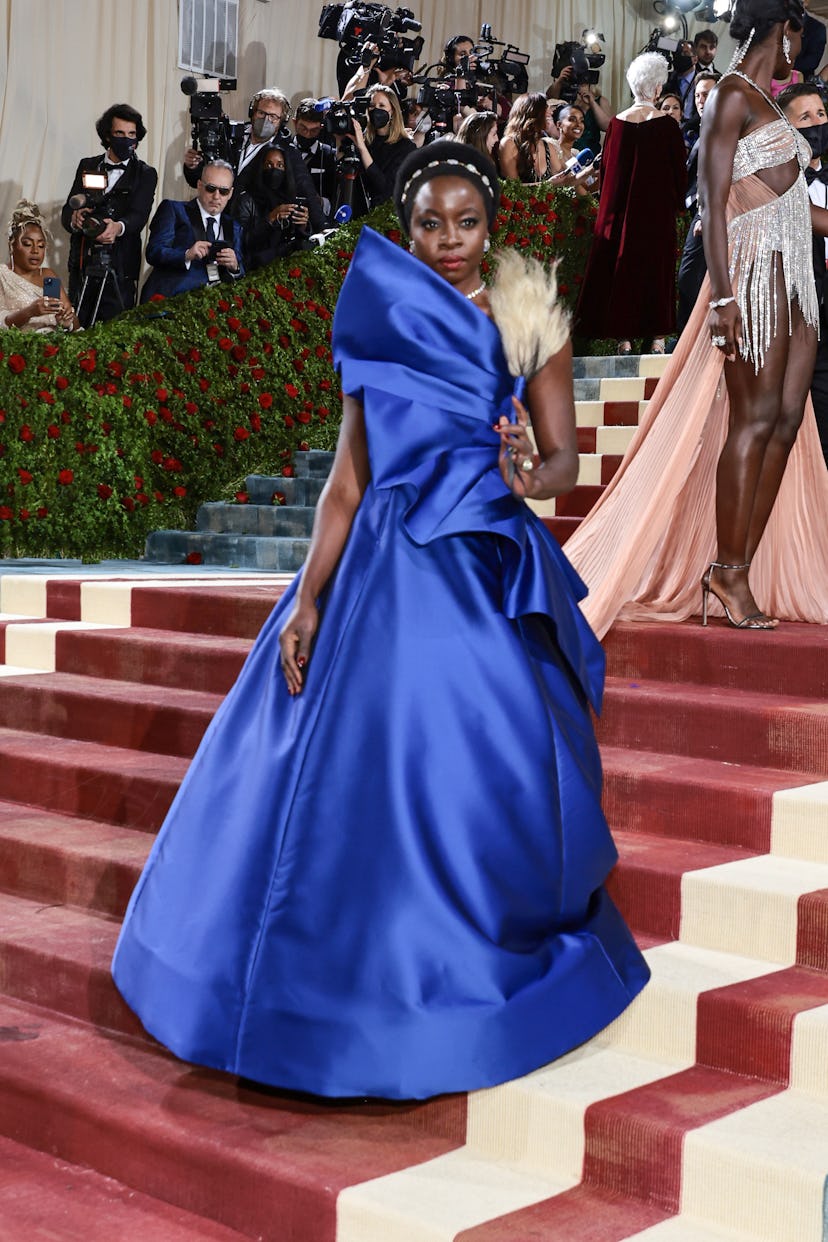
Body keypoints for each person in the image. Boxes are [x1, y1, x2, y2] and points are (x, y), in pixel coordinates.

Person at [111, 139, 649, 1101]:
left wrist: (529, 463)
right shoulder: (383, 314)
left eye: (467, 222)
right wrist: (308, 597)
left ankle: (440, 974)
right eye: (429, 224)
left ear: (493, 224)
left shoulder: (530, 318)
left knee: (459, 770)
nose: (448, 241)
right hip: (373, 567)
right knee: (322, 788)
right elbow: (348, 479)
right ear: (406, 232)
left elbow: (563, 461)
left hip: (474, 557)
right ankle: (296, 995)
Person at [565, 0, 828, 637]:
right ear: (784, 29)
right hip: (752, 275)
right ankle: (729, 571)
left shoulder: (765, 98)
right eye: (803, 38)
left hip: (795, 276)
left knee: (787, 421)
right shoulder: (731, 97)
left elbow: (791, 199)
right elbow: (711, 203)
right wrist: (722, 297)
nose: (805, 54)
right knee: (756, 417)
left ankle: (734, 567)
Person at [575, 52, 687, 354]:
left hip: (620, 214)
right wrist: (680, 203)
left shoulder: (616, 124)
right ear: (656, 89)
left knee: (622, 270)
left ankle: (623, 338)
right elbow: (680, 173)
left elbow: (608, 171)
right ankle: (656, 338)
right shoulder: (667, 126)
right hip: (656, 215)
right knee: (655, 271)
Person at [60, 103, 157, 327]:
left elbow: (139, 215)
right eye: (120, 133)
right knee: (77, 326)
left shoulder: (145, 173)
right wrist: (74, 219)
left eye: (131, 134)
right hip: (83, 262)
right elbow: (68, 209)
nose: (126, 139)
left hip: (120, 268)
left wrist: (118, 227)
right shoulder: (87, 165)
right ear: (107, 135)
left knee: (116, 329)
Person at [183, 89, 325, 232]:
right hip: (214, 218)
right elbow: (202, 179)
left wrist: (323, 230)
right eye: (262, 113)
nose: (266, 120)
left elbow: (307, 191)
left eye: (273, 116)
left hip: (253, 229)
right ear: (252, 112)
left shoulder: (287, 151)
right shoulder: (230, 135)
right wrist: (193, 167)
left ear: (282, 121)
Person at [779, 81, 828, 464]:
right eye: (805, 117)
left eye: (822, 114)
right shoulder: (774, 184)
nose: (816, 124)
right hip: (796, 322)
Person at [140, 160, 243, 302]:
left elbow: (240, 271)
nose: (216, 196)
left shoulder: (234, 226)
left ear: (231, 193)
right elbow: (154, 252)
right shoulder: (173, 209)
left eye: (223, 191)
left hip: (213, 305)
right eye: (211, 189)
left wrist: (234, 267)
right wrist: (186, 255)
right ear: (200, 185)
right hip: (170, 299)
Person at [676, 73, 720, 336]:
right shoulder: (699, 128)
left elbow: (719, 175)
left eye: (707, 94)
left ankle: (690, 344)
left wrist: (706, 214)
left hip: (711, 215)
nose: (701, 100)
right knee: (693, 282)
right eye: (698, 95)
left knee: (690, 280)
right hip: (699, 213)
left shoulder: (724, 130)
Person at [1, 201, 78, 332]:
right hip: (15, 348)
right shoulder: (3, 275)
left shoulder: (48, 277)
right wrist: (30, 312)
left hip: (50, 347)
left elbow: (73, 323)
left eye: (41, 245)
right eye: (27, 244)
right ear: (12, 245)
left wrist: (65, 321)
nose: (35, 251)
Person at [344, 84, 416, 218]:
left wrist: (362, 148)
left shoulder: (406, 147)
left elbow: (385, 189)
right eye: (371, 106)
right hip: (356, 213)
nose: (376, 110)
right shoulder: (363, 141)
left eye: (382, 106)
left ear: (393, 111)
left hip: (382, 218)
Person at [233, 148, 311, 271]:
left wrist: (303, 226)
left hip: (285, 268)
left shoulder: (290, 198)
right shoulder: (247, 200)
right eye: (268, 165)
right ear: (260, 168)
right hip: (255, 269)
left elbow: (296, 240)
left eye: (280, 165)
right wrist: (270, 219)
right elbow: (242, 242)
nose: (274, 170)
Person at [499, 92, 566, 182]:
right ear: (533, 112)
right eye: (546, 108)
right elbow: (513, 189)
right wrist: (548, 185)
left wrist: (587, 172)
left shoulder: (548, 146)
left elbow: (563, 181)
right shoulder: (509, 144)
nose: (551, 112)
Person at [290, 98, 337, 225]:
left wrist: (321, 202)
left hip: (317, 221)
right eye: (303, 128)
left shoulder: (328, 155)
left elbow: (335, 196)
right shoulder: (284, 151)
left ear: (321, 128)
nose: (307, 134)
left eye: (314, 130)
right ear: (294, 123)